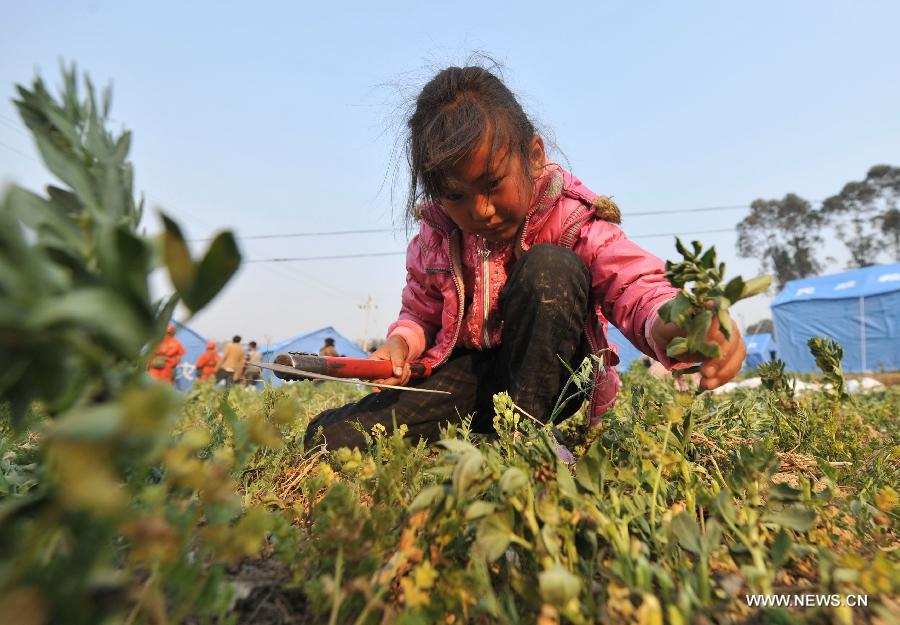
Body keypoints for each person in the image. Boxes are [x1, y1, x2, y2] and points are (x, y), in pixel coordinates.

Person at [305, 65, 745, 451]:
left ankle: (528, 437)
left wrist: (680, 321)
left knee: (550, 268)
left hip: (554, 375)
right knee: (331, 438)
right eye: (456, 196)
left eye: (493, 183)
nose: (481, 210)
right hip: (474, 380)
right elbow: (420, 313)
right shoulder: (435, 237)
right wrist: (399, 345)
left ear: (533, 156)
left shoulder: (573, 217)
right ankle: (486, 430)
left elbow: (632, 287)